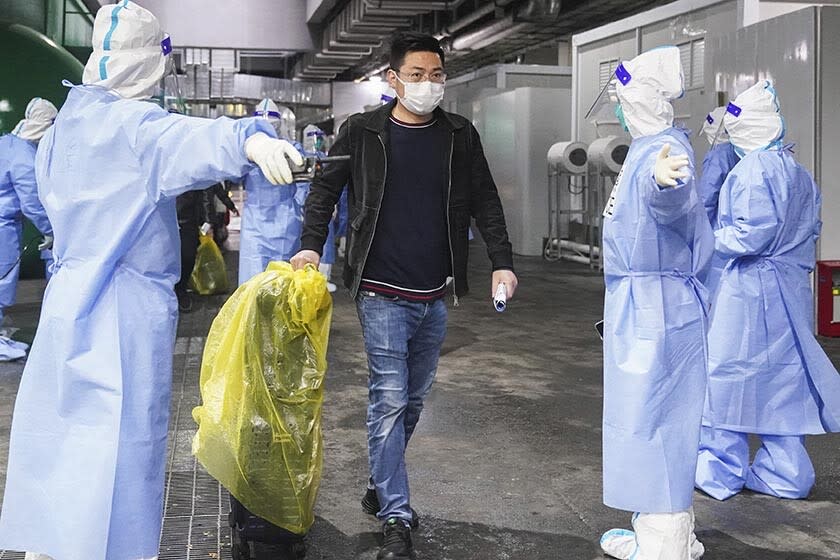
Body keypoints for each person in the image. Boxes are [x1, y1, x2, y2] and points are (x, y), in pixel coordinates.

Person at [0, 2, 302, 560]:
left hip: (68, 298)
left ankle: (54, 542)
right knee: (124, 442)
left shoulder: (68, 123)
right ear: (147, 62)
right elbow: (188, 139)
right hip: (125, 307)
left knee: (66, 429)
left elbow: (47, 206)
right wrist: (250, 140)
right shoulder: (132, 125)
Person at [290, 31, 518, 560]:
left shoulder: (460, 133)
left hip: (435, 291)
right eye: (416, 76)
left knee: (412, 401)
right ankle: (396, 515)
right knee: (389, 399)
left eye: (437, 75)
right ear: (392, 80)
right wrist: (310, 248)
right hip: (380, 289)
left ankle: (381, 479)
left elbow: (485, 198)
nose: (428, 85)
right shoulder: (362, 131)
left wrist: (502, 261)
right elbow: (325, 190)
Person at [695, 81, 840, 501]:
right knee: (781, 383)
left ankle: (719, 472)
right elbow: (811, 228)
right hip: (790, 290)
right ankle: (786, 474)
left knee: (727, 378)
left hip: (751, 290)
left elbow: (748, 236)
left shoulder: (753, 171)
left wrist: (702, 239)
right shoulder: (796, 169)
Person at [596, 46, 713, 560]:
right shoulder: (647, 147)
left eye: (622, 98)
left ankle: (663, 543)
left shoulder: (663, 150)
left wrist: (669, 187)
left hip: (656, 304)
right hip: (644, 300)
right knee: (648, 413)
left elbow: (672, 197)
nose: (618, 109)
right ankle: (668, 531)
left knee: (656, 415)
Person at [0, 97, 57, 361]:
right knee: (2, 277)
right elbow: (32, 202)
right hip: (4, 226)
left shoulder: (6, 143)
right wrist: (51, 230)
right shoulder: (24, 154)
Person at [238, 98, 305, 285]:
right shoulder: (248, 152)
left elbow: (304, 182)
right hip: (261, 220)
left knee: (280, 277)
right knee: (254, 279)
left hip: (281, 218)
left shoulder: (291, 149)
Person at [696, 106, 740, 292]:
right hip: (738, 233)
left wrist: (696, 232)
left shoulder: (719, 156)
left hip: (720, 233)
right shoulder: (743, 153)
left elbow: (707, 198)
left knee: (717, 290)